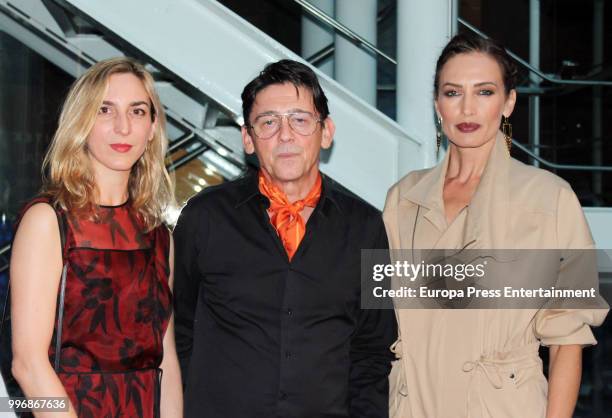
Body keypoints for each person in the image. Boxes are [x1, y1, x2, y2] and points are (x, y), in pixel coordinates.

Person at [383, 33, 608, 418]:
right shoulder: (403, 198)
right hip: (411, 404)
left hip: (501, 407)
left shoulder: (550, 198)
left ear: (508, 103)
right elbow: (379, 318)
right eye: (453, 93)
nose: (467, 108)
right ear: (438, 105)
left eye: (484, 92)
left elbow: (567, 338)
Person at [173, 59, 397, 418]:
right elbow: (177, 330)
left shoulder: (366, 227)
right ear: (248, 138)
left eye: (300, 119)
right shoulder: (205, 217)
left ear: (326, 132)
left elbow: (373, 349)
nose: (285, 135)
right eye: (268, 122)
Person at [10, 57, 182, 417]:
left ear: (152, 127)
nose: (123, 127)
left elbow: (164, 358)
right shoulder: (48, 221)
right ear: (82, 122)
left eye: (137, 111)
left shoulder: (158, 235)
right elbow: (27, 364)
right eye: (105, 110)